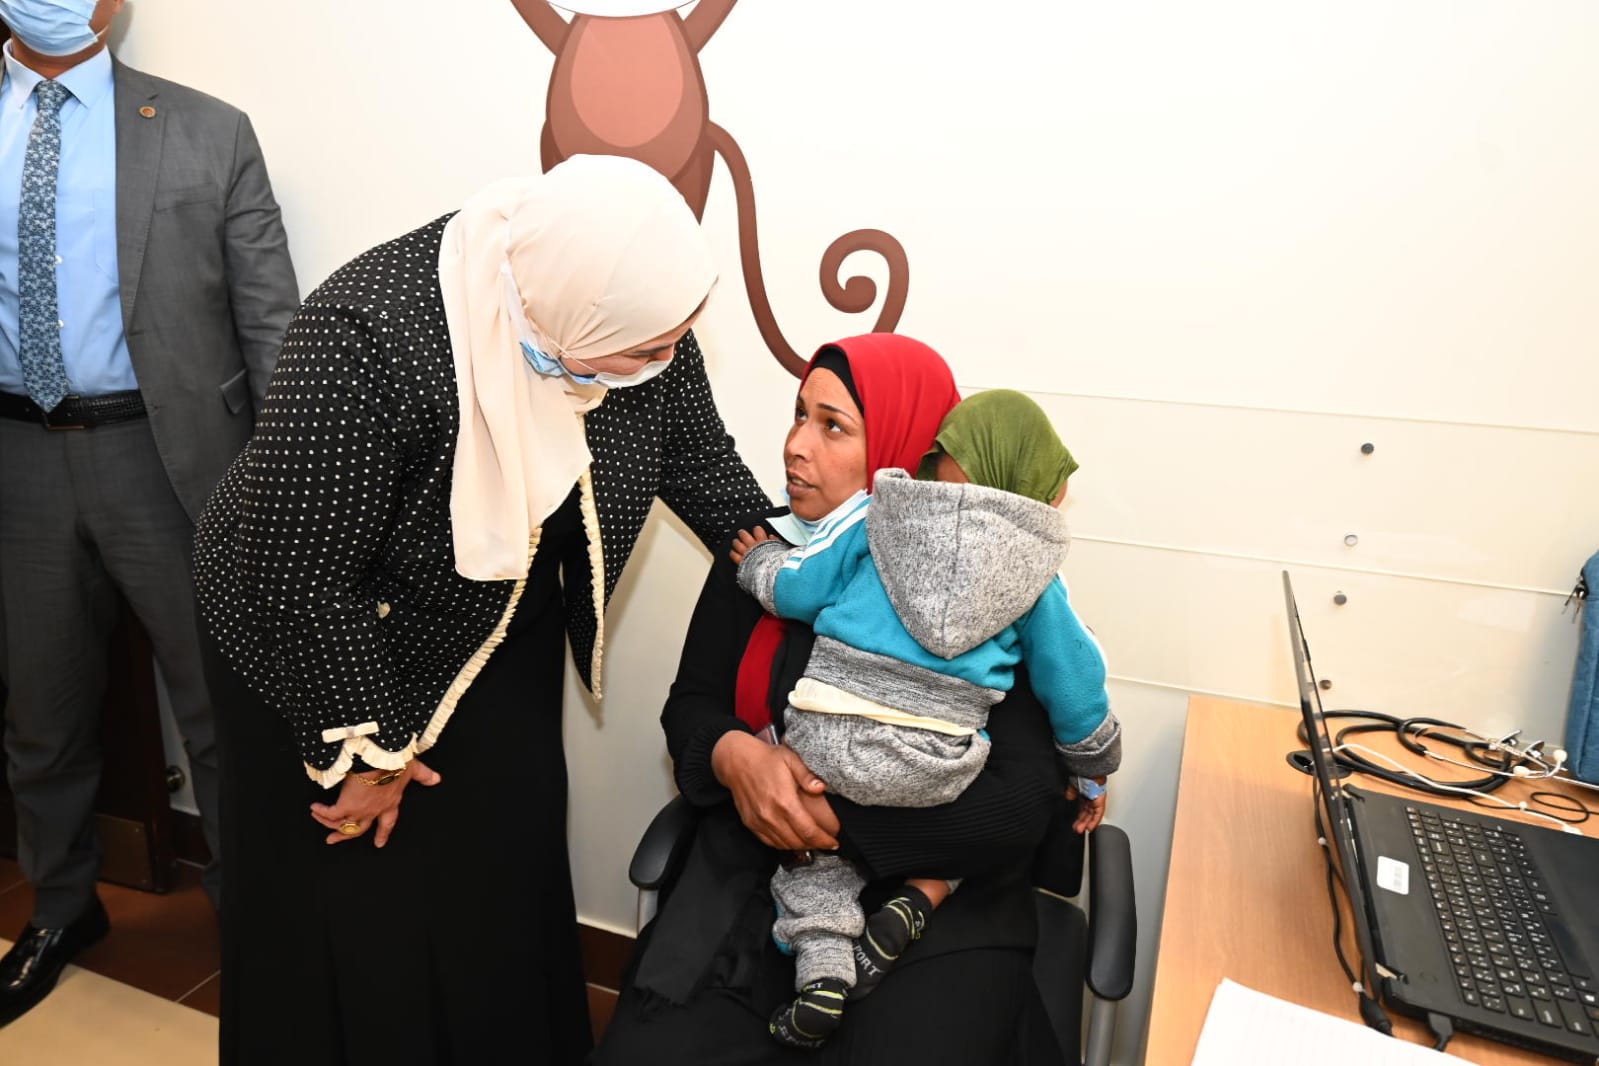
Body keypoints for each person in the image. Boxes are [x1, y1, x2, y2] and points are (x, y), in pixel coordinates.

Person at [191, 153, 770, 1066]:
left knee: (500, 858)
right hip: (316, 634)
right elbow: (302, 577)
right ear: (568, 312)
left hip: (493, 623)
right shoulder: (364, 334)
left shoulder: (625, 311)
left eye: (671, 345)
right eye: (646, 352)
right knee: (365, 891)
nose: (662, 364)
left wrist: (793, 561)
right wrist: (372, 755)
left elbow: (696, 459)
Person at [593, 335, 1079, 1066]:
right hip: (761, 880)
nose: (796, 446)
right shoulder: (764, 551)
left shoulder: (989, 580)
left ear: (902, 452)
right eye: (799, 415)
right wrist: (733, 757)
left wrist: (839, 822)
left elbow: (1024, 797)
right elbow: (690, 706)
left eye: (833, 426)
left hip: (930, 896)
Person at [0, 0, 297, 1028]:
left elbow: (271, 325)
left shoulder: (209, 130)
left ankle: (255, 922)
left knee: (222, 714)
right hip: (18, 456)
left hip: (173, 464)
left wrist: (282, 492)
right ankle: (61, 908)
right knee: (40, 713)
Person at [729, 388, 1121, 1047]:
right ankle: (922, 894)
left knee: (809, 863)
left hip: (824, 739)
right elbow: (1075, 683)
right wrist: (1092, 768)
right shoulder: (1035, 575)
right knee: (974, 795)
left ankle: (821, 971)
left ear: (939, 455)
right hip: (931, 762)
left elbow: (801, 588)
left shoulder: (877, 516)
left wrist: (759, 565)